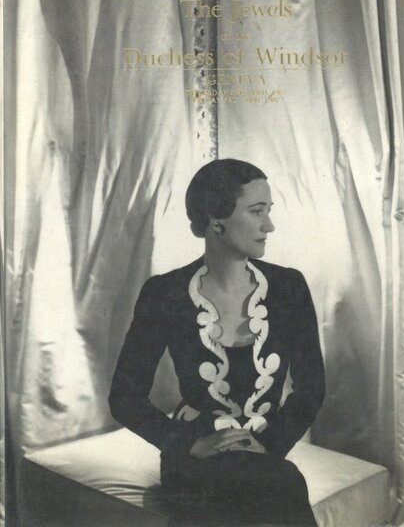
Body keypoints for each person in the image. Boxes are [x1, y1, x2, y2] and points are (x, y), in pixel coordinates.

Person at [109, 159, 325, 526]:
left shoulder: (289, 287)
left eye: (268, 211)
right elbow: (124, 397)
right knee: (280, 484)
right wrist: (189, 444)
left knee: (271, 483)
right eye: (257, 211)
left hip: (263, 452)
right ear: (216, 219)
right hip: (195, 457)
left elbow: (312, 387)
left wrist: (270, 444)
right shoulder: (165, 292)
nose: (269, 225)